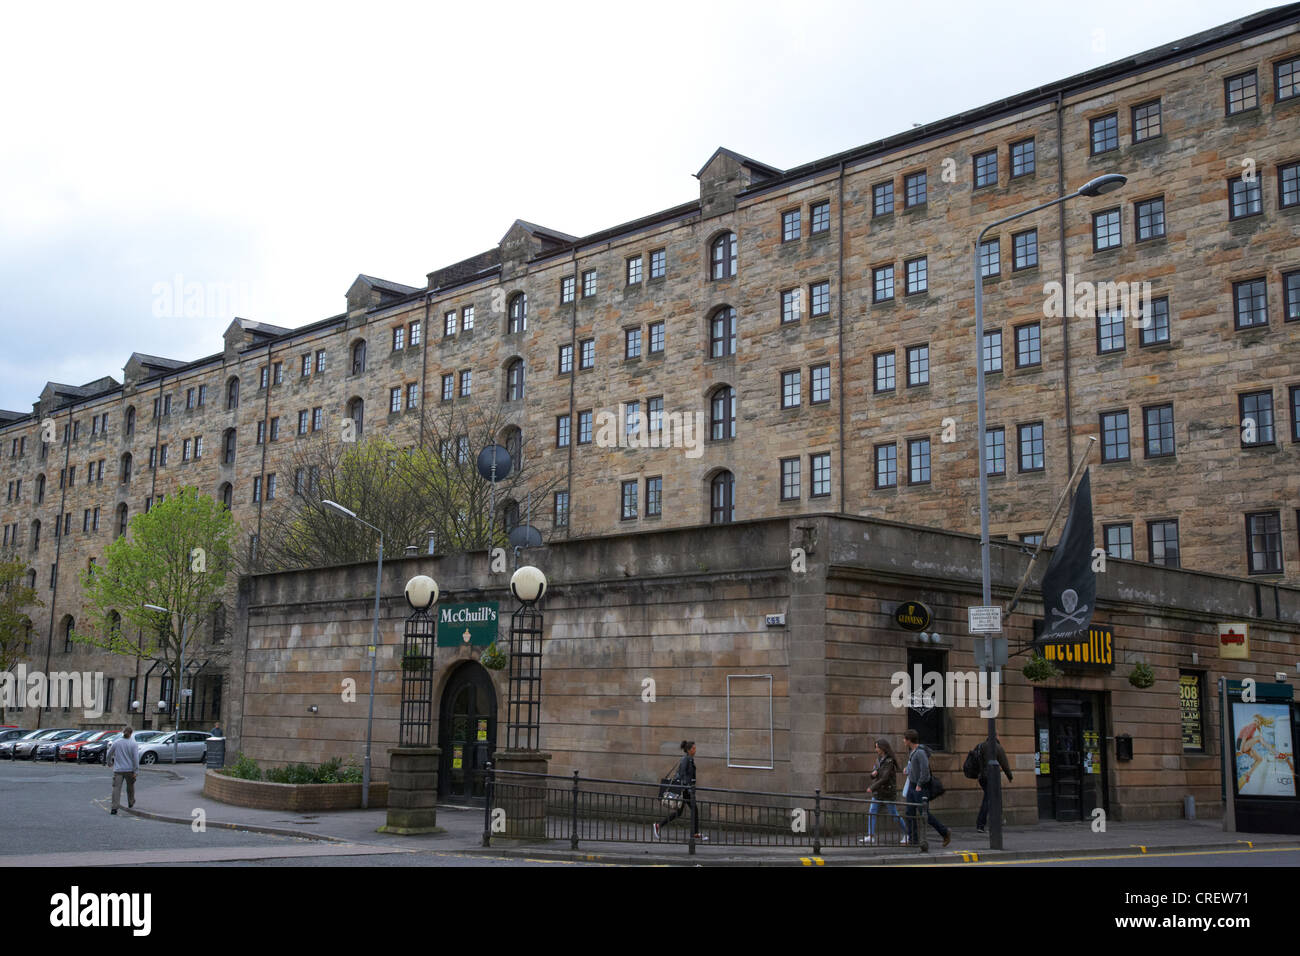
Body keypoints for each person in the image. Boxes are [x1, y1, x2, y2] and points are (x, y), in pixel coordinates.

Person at [902, 729, 950, 847]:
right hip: (912, 787)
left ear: (909, 740)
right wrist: (907, 770)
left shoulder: (920, 752)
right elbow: (914, 767)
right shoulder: (912, 751)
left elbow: (925, 771)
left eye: (904, 739)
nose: (903, 741)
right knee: (909, 812)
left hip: (919, 788)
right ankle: (914, 840)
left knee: (925, 814)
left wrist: (919, 784)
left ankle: (944, 832)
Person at [654, 740, 706, 842]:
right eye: (693, 748)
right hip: (685, 790)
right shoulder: (686, 759)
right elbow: (681, 774)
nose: (695, 750)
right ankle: (695, 834)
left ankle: (658, 825)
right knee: (694, 810)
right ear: (688, 750)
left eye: (695, 748)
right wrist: (688, 786)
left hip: (686, 790)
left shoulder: (689, 759)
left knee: (679, 812)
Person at [860, 738, 907, 845]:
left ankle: (907, 833)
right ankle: (870, 836)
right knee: (872, 812)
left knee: (894, 815)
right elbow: (875, 772)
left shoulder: (889, 761)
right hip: (878, 792)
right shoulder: (879, 759)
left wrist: (872, 787)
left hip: (887, 792)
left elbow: (885, 778)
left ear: (882, 748)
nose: (875, 749)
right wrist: (873, 774)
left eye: (877, 747)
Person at [974, 735, 1013, 833]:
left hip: (981, 777)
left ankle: (995, 820)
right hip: (992, 777)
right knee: (990, 799)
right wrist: (1009, 776)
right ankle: (982, 824)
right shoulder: (997, 747)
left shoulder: (980, 746)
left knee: (991, 798)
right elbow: (1004, 763)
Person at [108, 726, 140, 815]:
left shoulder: (117, 742)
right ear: (131, 733)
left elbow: (109, 753)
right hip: (129, 770)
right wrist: (136, 771)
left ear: (123, 732)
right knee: (130, 787)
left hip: (118, 770)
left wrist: (109, 762)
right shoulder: (133, 744)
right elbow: (136, 759)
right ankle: (131, 802)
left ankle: (114, 807)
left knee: (116, 788)